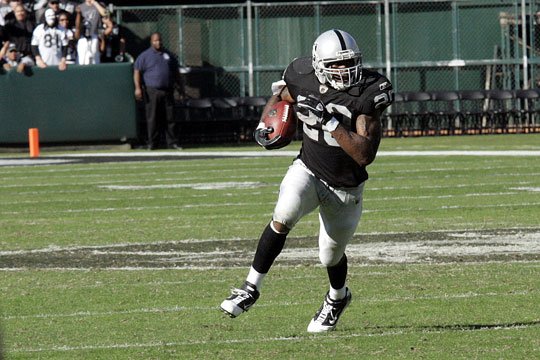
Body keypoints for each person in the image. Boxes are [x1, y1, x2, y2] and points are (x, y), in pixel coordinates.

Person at [220, 29, 393, 332]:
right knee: (284, 213)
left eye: (349, 62)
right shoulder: (302, 75)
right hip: (309, 169)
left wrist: (329, 121)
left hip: (346, 187)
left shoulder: (369, 90)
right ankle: (250, 287)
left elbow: (364, 154)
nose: (344, 70)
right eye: (336, 64)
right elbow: (282, 93)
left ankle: (337, 298)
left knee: (330, 255)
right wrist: (268, 122)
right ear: (318, 64)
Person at [133, 32, 182, 150]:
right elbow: (137, 71)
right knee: (152, 118)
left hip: (167, 90)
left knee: (170, 118)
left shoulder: (168, 55)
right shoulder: (144, 56)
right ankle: (152, 143)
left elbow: (176, 72)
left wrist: (181, 87)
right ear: (151, 42)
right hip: (152, 91)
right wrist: (138, 88)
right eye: (155, 40)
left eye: (159, 40)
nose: (158, 42)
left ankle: (172, 143)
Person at [75, 0, 105, 65]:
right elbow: (77, 25)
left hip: (95, 35)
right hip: (83, 36)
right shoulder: (81, 6)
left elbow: (105, 13)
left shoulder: (99, 4)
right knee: (82, 60)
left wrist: (95, 3)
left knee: (94, 57)